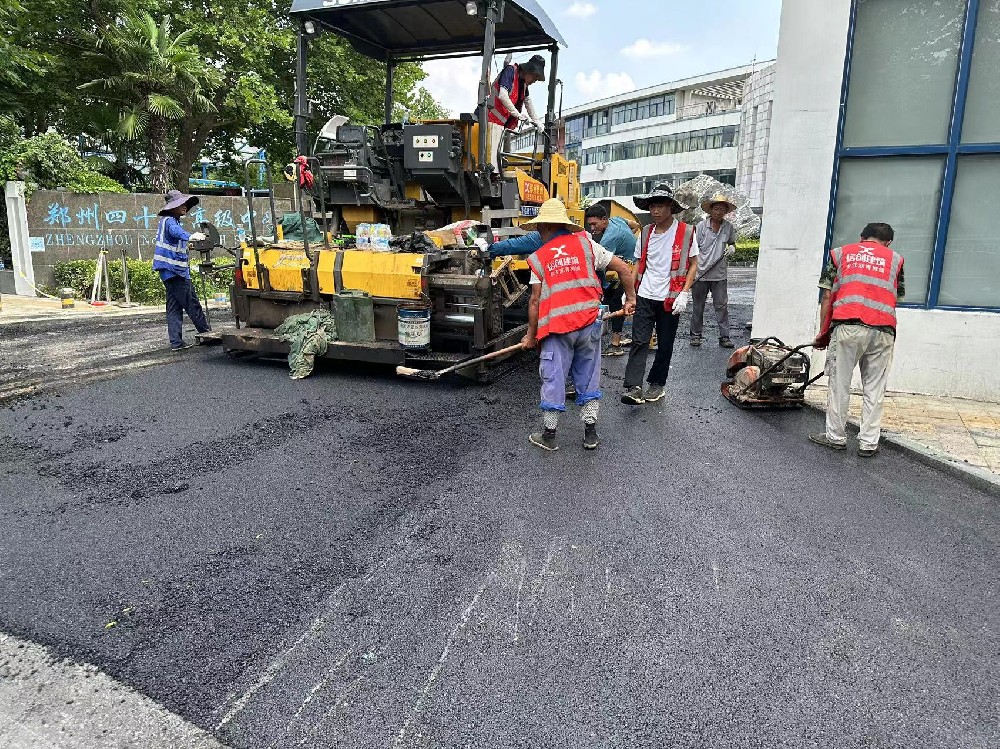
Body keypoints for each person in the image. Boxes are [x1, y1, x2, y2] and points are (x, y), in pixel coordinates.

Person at [517, 199, 636, 451]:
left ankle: (549, 436)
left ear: (547, 226)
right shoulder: (587, 245)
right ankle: (590, 434)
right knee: (589, 375)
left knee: (553, 377)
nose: (538, 232)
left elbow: (535, 301)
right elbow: (625, 269)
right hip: (590, 324)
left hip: (558, 329)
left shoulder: (538, 258)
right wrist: (630, 301)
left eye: (540, 227)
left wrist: (529, 336)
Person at [810, 223, 904, 457]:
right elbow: (897, 297)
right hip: (883, 331)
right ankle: (869, 443)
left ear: (861, 238)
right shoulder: (896, 260)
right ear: (888, 242)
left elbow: (827, 294)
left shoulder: (841, 253)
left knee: (839, 384)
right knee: (874, 388)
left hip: (848, 327)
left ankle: (835, 437)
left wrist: (824, 332)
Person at [621, 183, 699, 405]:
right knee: (639, 341)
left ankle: (657, 384)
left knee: (665, 344)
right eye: (652, 206)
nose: (655, 211)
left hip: (671, 296)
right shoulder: (645, 233)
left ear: (670, 208)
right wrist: (630, 293)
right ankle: (633, 386)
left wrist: (685, 293)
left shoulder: (686, 232)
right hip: (645, 293)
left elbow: (694, 264)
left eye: (660, 206)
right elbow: (637, 263)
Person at [153, 189, 211, 351]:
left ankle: (176, 343)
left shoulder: (170, 221)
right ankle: (206, 334)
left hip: (168, 271)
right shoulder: (170, 221)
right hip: (175, 272)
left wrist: (189, 243)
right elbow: (176, 232)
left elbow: (174, 240)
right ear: (172, 207)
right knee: (192, 303)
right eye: (181, 204)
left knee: (174, 307)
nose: (184, 207)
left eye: (185, 204)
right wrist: (191, 236)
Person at [584, 203, 637, 356]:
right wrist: (627, 242)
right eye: (590, 225)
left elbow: (599, 265)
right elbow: (634, 225)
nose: (592, 228)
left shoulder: (609, 239)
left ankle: (615, 344)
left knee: (614, 301)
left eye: (595, 224)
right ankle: (649, 336)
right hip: (633, 263)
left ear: (605, 219)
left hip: (627, 270)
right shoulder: (617, 220)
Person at [691, 193, 738, 349]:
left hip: (719, 275)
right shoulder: (701, 227)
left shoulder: (728, 227)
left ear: (726, 212)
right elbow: (693, 250)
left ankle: (724, 337)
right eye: (716, 209)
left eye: (722, 209)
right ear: (711, 210)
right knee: (698, 306)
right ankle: (696, 335)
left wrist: (732, 247)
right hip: (701, 273)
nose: (719, 212)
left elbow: (732, 243)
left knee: (721, 306)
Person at [485, 55, 546, 176]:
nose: (535, 81)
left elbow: (528, 102)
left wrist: (537, 121)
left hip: (500, 126)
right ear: (529, 71)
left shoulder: (523, 84)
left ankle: (494, 175)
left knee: (495, 160)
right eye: (535, 77)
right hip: (488, 120)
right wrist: (517, 115)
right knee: (489, 161)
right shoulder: (510, 71)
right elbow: (503, 95)